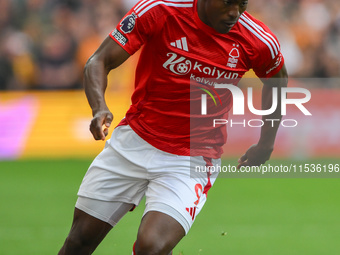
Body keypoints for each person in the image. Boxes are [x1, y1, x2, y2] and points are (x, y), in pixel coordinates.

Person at [58, 0, 288, 254]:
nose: (234, 12)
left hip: (192, 159)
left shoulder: (257, 39)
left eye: (241, 3)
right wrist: (99, 107)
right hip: (133, 142)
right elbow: (98, 61)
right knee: (79, 242)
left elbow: (277, 82)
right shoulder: (160, 11)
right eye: (226, 3)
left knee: (152, 247)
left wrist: (266, 143)